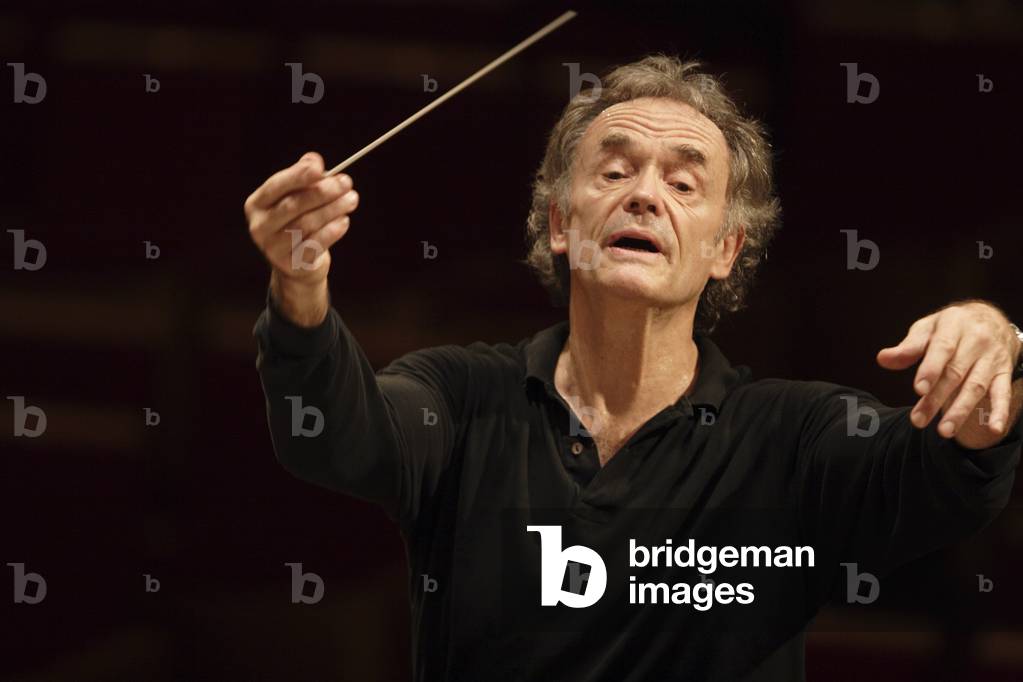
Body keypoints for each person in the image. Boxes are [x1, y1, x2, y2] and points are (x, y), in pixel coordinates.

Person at [245, 55, 1023, 681]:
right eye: (614, 172)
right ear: (558, 222)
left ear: (725, 250)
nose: (645, 195)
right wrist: (300, 286)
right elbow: (339, 437)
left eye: (683, 184)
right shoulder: (462, 399)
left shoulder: (791, 438)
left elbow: (943, 479)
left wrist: (993, 349)